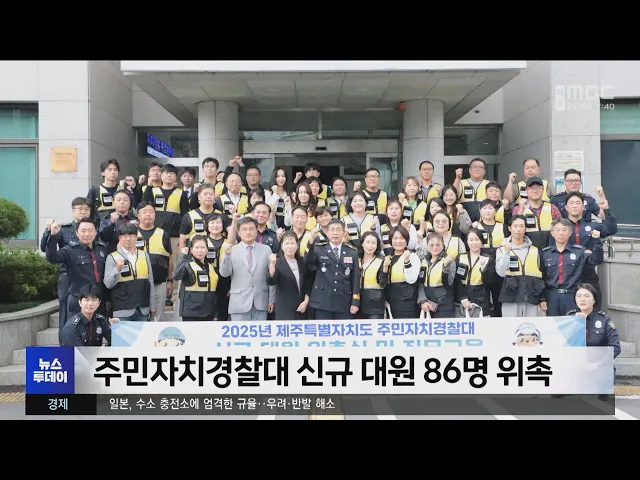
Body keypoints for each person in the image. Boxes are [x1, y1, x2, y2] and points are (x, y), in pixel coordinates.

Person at [40, 197, 89, 341]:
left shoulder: (93, 229)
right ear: (73, 211)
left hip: (86, 277)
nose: (84, 212)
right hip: (67, 277)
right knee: (66, 312)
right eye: (80, 209)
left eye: (87, 209)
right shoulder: (64, 229)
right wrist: (49, 231)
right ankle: (64, 344)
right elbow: (44, 248)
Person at [45, 217, 109, 320]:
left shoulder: (102, 248)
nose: (87, 234)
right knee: (77, 329)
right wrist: (53, 235)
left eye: (90, 230)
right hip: (79, 300)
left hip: (98, 301)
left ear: (96, 232)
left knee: (98, 329)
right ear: (77, 233)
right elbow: (52, 257)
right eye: (83, 231)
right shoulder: (70, 250)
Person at [568, 283, 621, 401]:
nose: (582, 299)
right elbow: (562, 343)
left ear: (594, 300)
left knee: (602, 391)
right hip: (576, 363)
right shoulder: (569, 318)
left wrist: (597, 364)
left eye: (586, 296)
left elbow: (616, 347)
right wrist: (574, 322)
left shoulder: (604, 320)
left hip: (597, 365)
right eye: (579, 296)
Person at [540, 218, 604, 316]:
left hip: (572, 296)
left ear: (570, 233)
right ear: (552, 233)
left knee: (574, 324)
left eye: (564, 230)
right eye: (557, 230)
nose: (561, 233)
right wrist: (542, 298)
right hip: (552, 297)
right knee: (553, 324)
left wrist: (597, 241)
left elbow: (596, 260)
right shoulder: (545, 253)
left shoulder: (579, 252)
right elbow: (541, 277)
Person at [219, 217, 275, 321]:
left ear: (256, 231)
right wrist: (226, 256)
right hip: (239, 303)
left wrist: (271, 299)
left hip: (261, 301)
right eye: (244, 229)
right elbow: (224, 273)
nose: (248, 232)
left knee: (260, 331)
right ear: (239, 232)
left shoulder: (266, 250)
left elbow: (271, 277)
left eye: (251, 229)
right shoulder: (232, 250)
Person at [305, 219, 361, 319]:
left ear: (344, 232)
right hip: (323, 301)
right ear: (327, 232)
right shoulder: (319, 249)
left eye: (338, 230)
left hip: (344, 301)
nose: (335, 233)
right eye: (332, 230)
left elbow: (355, 278)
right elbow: (308, 261)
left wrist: (355, 301)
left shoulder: (352, 252)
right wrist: (310, 242)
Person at [495, 215, 546, 317]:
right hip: (511, 296)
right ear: (509, 228)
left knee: (532, 325)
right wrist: (506, 253)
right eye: (515, 226)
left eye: (521, 226)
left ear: (525, 228)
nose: (518, 229)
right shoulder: (501, 250)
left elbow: (542, 275)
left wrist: (542, 298)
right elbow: (501, 272)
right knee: (511, 325)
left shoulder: (535, 250)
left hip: (532, 296)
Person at [103, 223, 156, 322]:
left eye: (131, 235)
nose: (128, 239)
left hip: (142, 309)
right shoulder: (112, 257)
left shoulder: (144, 255)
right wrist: (116, 269)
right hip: (122, 310)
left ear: (136, 237)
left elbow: (150, 282)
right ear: (120, 238)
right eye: (125, 236)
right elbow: (108, 284)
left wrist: (153, 306)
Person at [136, 201, 173, 321]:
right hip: (137, 284)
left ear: (155, 215)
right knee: (140, 318)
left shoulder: (163, 234)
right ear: (138, 215)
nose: (148, 214)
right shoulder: (132, 234)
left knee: (157, 318)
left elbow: (169, 259)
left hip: (159, 283)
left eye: (151, 211)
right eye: (144, 212)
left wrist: (170, 281)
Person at [173, 235, 219, 321]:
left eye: (202, 247)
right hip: (191, 313)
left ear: (207, 250)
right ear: (191, 250)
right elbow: (176, 275)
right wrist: (183, 256)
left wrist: (215, 312)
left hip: (208, 312)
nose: (200, 250)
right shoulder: (187, 265)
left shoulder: (211, 267)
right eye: (197, 247)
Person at [267, 231, 311, 320]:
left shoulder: (302, 262)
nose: (290, 246)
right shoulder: (278, 263)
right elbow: (271, 281)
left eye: (292, 243)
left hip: (302, 308)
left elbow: (308, 285)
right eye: (287, 243)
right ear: (282, 246)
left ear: (297, 245)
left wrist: (306, 301)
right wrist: (272, 265)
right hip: (284, 310)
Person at [384, 226, 421, 319]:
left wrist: (407, 261)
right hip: (392, 303)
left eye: (401, 238)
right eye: (395, 238)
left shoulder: (412, 256)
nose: (398, 241)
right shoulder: (388, 258)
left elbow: (411, 279)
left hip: (408, 304)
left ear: (406, 240)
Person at [454, 228, 494, 316]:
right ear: (467, 242)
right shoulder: (460, 257)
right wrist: (463, 299)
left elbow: (490, 282)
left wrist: (484, 270)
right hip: (462, 299)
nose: (474, 243)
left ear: (481, 242)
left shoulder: (488, 258)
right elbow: (456, 280)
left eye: (476, 239)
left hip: (481, 299)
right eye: (471, 240)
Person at [418, 232, 457, 318]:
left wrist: (445, 267)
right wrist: (422, 300)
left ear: (443, 246)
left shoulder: (449, 261)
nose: (435, 247)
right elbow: (420, 283)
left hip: (444, 305)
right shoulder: (423, 261)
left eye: (438, 245)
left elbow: (449, 282)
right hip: (427, 304)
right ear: (427, 246)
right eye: (431, 245)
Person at [358, 231, 390, 319]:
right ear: (362, 243)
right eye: (367, 242)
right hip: (357, 303)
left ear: (377, 245)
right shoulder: (356, 259)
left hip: (375, 303)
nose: (370, 246)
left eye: (373, 243)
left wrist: (385, 268)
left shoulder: (381, 260)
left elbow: (383, 284)